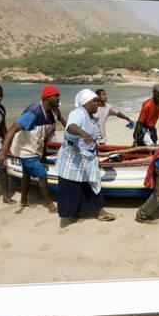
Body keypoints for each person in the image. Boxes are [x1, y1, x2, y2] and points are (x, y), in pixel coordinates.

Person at [0, 85, 65, 213]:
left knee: (26, 174)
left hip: (36, 147)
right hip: (25, 149)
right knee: (42, 174)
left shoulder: (53, 111)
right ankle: (50, 204)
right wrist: (2, 151)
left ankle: (23, 200)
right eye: (55, 96)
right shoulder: (33, 112)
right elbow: (12, 129)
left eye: (58, 96)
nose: (58, 98)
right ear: (46, 97)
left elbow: (58, 123)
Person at [55, 89, 117, 226]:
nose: (97, 103)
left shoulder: (91, 117)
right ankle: (72, 214)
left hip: (88, 158)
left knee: (93, 183)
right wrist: (82, 133)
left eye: (97, 101)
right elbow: (71, 127)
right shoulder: (78, 113)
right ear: (85, 103)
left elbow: (92, 140)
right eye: (94, 101)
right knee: (72, 186)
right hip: (73, 158)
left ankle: (100, 211)